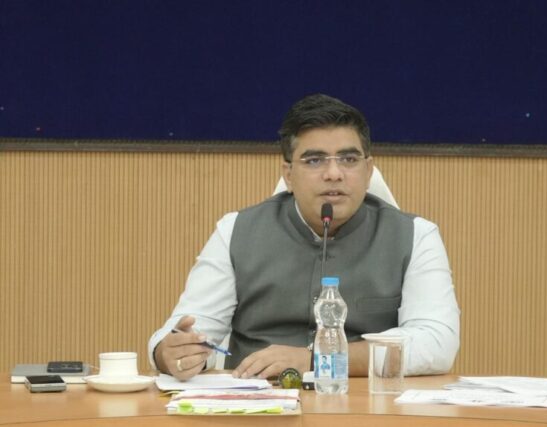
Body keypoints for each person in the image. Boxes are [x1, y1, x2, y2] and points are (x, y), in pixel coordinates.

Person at [148, 93, 460, 381]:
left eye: (349, 159)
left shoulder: (416, 236)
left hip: (363, 404)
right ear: (288, 174)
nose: (334, 173)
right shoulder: (235, 231)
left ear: (368, 171)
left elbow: (437, 344)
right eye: (314, 160)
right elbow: (189, 328)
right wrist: (170, 353)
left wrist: (316, 359)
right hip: (256, 403)